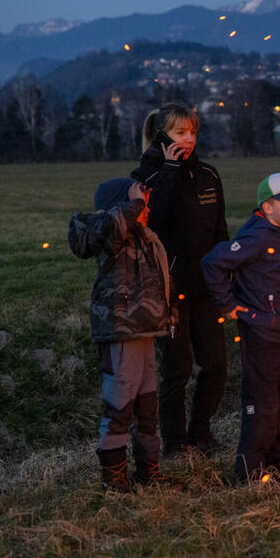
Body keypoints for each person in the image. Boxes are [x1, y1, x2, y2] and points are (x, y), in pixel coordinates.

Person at [130, 101, 229, 458]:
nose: (188, 139)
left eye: (192, 132)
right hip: (167, 290)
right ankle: (174, 443)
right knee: (177, 369)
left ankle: (200, 432)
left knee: (216, 365)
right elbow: (154, 221)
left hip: (206, 288)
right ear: (161, 136)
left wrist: (226, 273)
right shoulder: (146, 178)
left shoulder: (209, 175)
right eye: (179, 133)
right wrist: (170, 169)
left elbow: (220, 231)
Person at [68, 177, 179, 492]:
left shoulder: (146, 237)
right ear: (122, 206)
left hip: (145, 332)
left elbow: (162, 279)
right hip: (119, 333)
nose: (145, 207)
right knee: (119, 406)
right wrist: (132, 204)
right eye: (138, 202)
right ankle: (114, 479)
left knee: (147, 407)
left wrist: (171, 314)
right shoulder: (109, 236)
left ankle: (149, 472)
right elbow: (111, 227)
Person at [202, 173, 280, 483]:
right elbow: (214, 262)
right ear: (266, 206)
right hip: (262, 330)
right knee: (262, 402)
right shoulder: (258, 236)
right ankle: (251, 471)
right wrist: (228, 304)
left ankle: (279, 460)